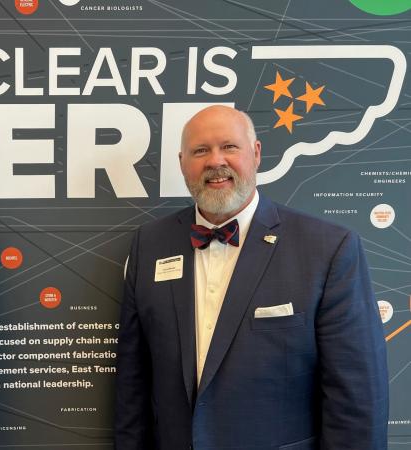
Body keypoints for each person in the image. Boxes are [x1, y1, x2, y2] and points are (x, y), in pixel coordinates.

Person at [114, 105, 388, 450]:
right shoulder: (149, 243)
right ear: (183, 163)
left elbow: (356, 394)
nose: (215, 161)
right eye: (201, 150)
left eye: (229, 146)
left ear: (255, 153)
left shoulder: (328, 248)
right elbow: (133, 383)